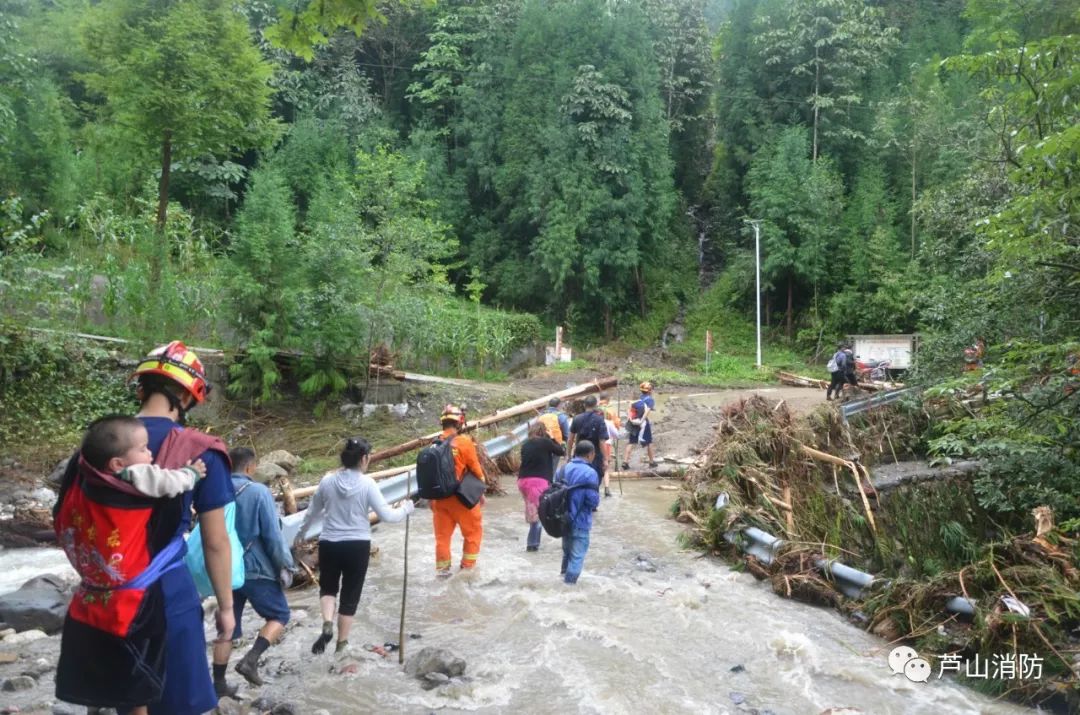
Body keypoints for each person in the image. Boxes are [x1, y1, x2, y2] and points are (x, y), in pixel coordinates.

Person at [53, 341, 237, 714]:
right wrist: (227, 607)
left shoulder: (99, 445)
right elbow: (215, 541)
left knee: (126, 700)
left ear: (141, 388)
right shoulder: (201, 450)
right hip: (166, 593)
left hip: (102, 596)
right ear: (187, 396)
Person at [53, 416, 207, 715]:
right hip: (130, 604)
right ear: (117, 465)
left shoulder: (84, 476)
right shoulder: (136, 477)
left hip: (91, 599)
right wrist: (191, 473)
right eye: (144, 448)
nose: (151, 455)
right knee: (138, 685)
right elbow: (167, 481)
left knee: (108, 674)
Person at [294, 437, 414, 655]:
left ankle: (328, 623)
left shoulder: (327, 481)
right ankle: (341, 644)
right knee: (350, 595)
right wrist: (406, 508)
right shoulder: (368, 484)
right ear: (364, 459)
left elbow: (311, 513)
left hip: (330, 542)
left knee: (328, 588)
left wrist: (300, 536)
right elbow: (387, 515)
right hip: (357, 546)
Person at [211, 448, 295, 694]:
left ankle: (218, 685)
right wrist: (285, 565)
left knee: (226, 627)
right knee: (280, 615)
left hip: (224, 570)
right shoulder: (258, 492)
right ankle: (250, 660)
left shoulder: (215, 491)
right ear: (250, 467)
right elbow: (272, 536)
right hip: (255, 569)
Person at [429, 405, 486, 577]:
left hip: (439, 499)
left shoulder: (434, 443)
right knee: (473, 533)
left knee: (442, 538)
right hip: (463, 498)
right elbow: (475, 469)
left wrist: (432, 500)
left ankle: (443, 572)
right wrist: (481, 491)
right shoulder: (463, 442)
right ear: (460, 422)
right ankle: (466, 570)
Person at [517, 422, 565, 551]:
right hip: (537, 481)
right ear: (543, 432)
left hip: (522, 481)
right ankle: (532, 545)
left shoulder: (526, 444)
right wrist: (552, 437)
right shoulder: (545, 442)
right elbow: (561, 451)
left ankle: (533, 542)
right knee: (538, 513)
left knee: (532, 510)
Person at [559, 440, 601, 585]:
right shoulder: (591, 472)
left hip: (563, 519)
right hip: (580, 520)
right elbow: (593, 501)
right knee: (577, 557)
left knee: (567, 553)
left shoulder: (563, 469)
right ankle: (568, 588)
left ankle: (562, 580)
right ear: (590, 454)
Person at [568, 395, 610, 496]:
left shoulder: (576, 418)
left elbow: (571, 439)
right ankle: (592, 503)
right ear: (595, 405)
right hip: (594, 455)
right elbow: (602, 441)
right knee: (594, 480)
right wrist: (605, 459)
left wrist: (568, 455)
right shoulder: (599, 420)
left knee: (578, 478)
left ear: (584, 405)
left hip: (579, 454)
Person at [621, 382, 657, 470]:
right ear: (650, 391)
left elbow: (630, 409)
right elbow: (646, 412)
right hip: (643, 423)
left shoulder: (638, 398)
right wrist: (641, 421)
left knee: (631, 442)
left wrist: (631, 419)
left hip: (633, 422)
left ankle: (625, 462)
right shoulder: (650, 400)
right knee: (649, 442)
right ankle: (652, 462)